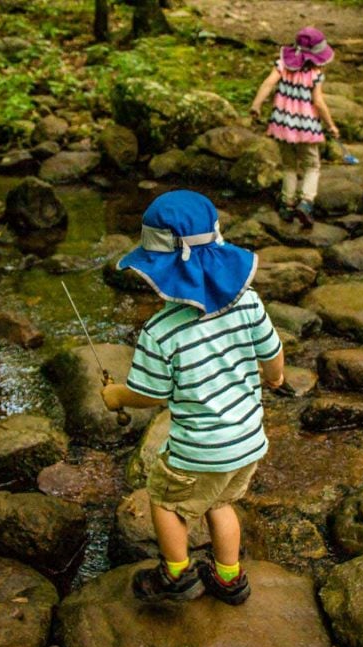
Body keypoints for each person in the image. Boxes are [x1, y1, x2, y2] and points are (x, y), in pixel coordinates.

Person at [101, 190, 285, 605]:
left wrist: (116, 396)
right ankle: (229, 578)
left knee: (165, 501)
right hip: (248, 444)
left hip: (197, 452)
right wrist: (275, 378)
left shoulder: (160, 331)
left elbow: (149, 394)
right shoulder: (248, 302)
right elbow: (272, 354)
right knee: (221, 503)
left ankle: (177, 574)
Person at [250, 26, 339, 229]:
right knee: (312, 166)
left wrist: (256, 104)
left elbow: (267, 84)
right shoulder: (315, 74)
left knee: (289, 165)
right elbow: (318, 102)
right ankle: (306, 203)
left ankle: (287, 205)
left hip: (282, 124)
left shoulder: (282, 65)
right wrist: (330, 125)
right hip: (306, 127)